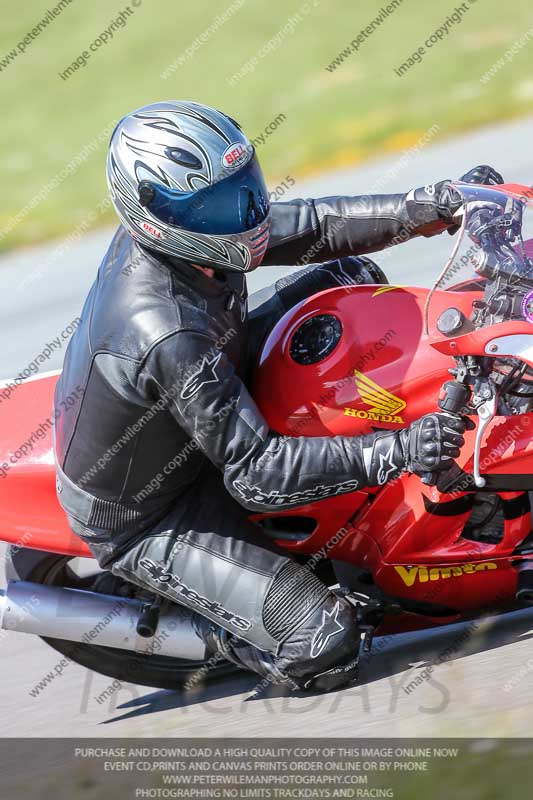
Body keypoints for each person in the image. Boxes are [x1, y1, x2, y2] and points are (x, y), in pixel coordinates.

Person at [53, 100, 502, 692]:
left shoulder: (198, 236)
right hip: (153, 509)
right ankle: (222, 629)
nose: (242, 214)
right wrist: (398, 449)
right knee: (324, 641)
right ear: (154, 214)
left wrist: (435, 204)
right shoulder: (163, 327)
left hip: (208, 381)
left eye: (245, 189)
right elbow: (255, 474)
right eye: (217, 204)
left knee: (350, 276)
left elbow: (316, 227)